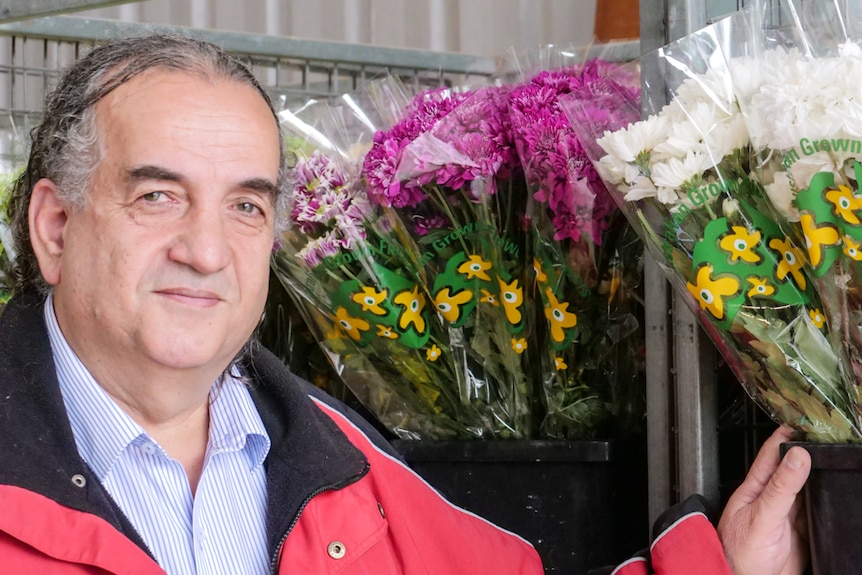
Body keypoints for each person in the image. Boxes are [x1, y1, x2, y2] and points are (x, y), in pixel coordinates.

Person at [0, 33, 811, 574]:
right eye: (158, 196)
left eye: (245, 206)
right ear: (55, 227)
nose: (207, 251)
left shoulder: (341, 461)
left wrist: (722, 565)